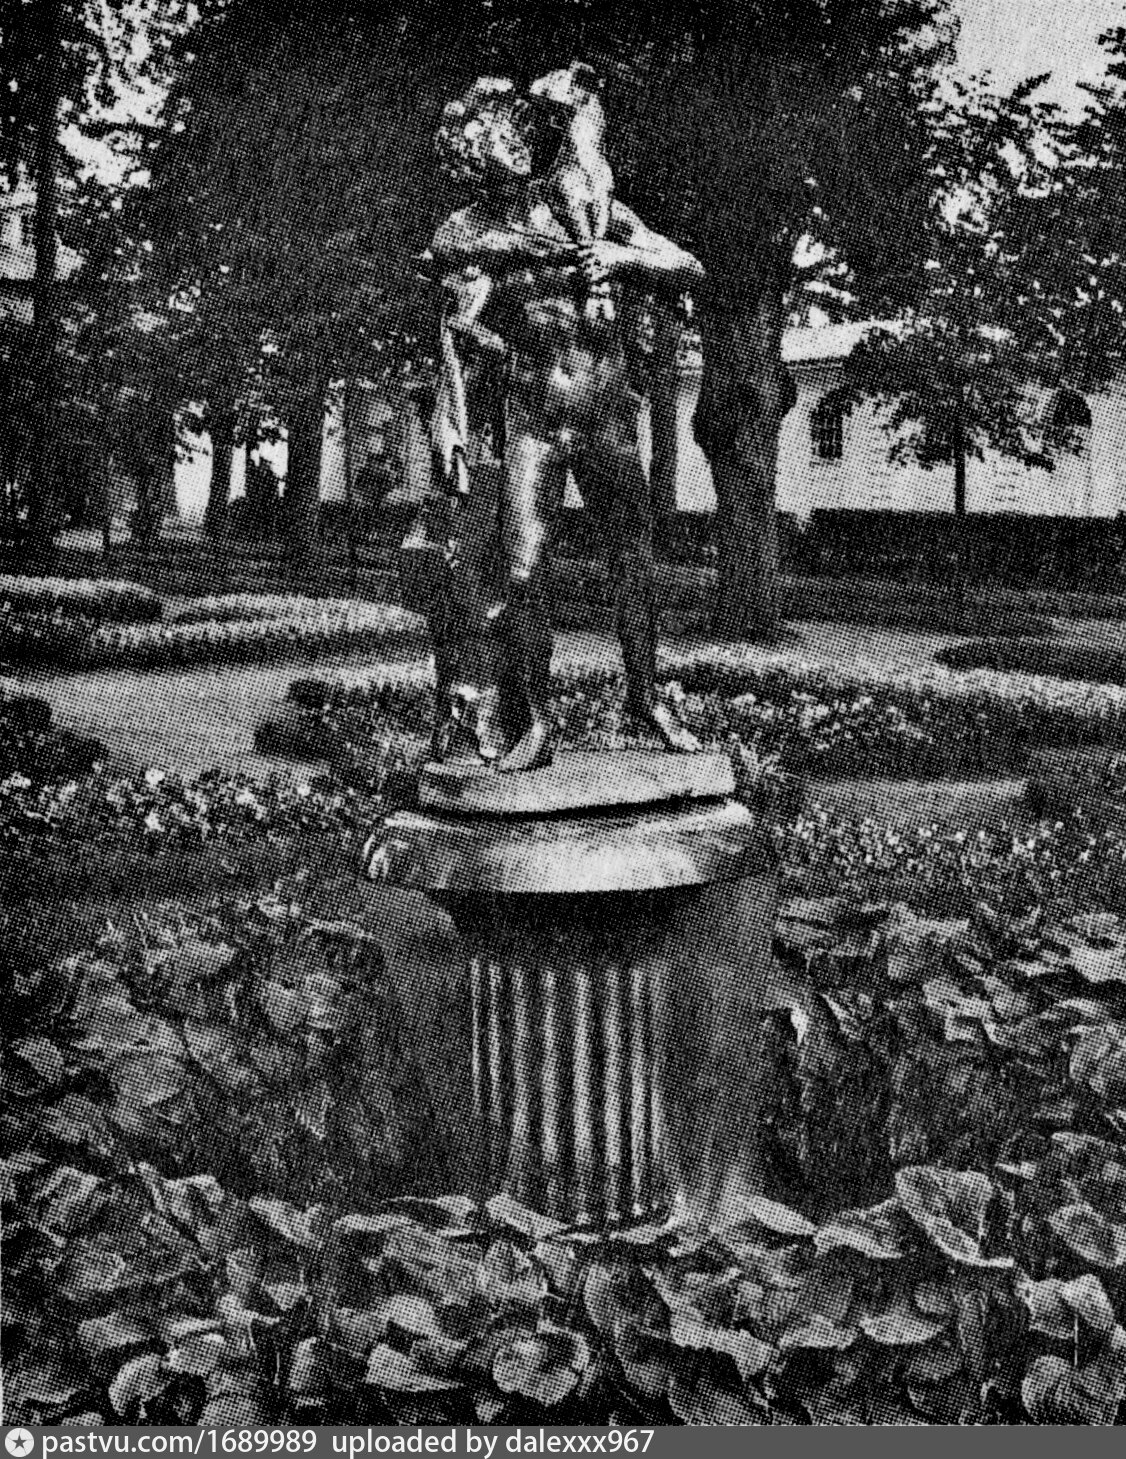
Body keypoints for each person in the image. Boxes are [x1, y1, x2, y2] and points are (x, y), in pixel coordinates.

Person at [427, 75, 703, 772]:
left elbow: (687, 266)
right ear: (472, 155)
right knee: (522, 570)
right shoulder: (467, 233)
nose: (518, 142)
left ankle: (646, 698)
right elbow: (453, 320)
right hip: (535, 420)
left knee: (632, 560)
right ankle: (536, 721)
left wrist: (621, 257)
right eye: (499, 135)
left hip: (607, 414)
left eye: (520, 131)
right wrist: (450, 419)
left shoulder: (583, 203)